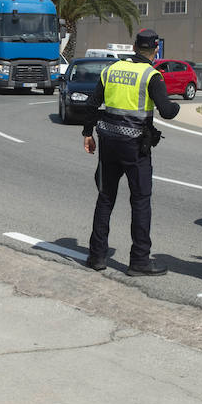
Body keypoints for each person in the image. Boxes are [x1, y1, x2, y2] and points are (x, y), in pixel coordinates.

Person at [80, 28, 180, 276]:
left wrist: (87, 134)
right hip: (135, 147)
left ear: (134, 47)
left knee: (105, 198)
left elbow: (92, 104)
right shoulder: (152, 75)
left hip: (108, 143)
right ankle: (139, 261)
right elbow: (167, 111)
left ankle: (97, 257)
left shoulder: (111, 69)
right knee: (140, 201)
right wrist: (176, 106)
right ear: (155, 50)